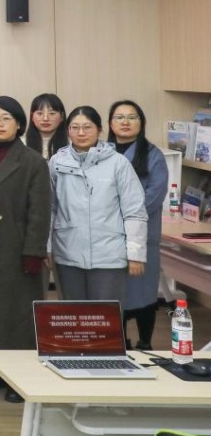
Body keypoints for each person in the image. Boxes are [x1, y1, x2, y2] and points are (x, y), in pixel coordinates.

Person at [0, 96, 50, 404]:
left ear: (19, 123)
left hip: (16, 251)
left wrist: (33, 251)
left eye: (5, 118)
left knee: (17, 317)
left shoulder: (32, 161)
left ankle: (20, 378)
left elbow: (40, 212)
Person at [49, 106, 147, 302]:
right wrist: (47, 248)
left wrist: (135, 254)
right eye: (75, 127)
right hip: (67, 252)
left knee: (106, 316)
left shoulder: (118, 163)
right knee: (73, 315)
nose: (81, 133)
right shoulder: (56, 162)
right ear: (67, 131)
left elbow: (134, 211)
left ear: (100, 130)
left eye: (87, 127)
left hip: (109, 255)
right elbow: (49, 209)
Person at [106, 100, 168, 350]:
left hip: (143, 234)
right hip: (108, 235)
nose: (125, 122)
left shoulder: (153, 155)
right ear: (110, 123)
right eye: (119, 117)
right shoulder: (102, 152)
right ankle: (119, 343)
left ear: (141, 123)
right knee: (115, 293)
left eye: (132, 117)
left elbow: (156, 193)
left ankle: (145, 343)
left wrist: (124, 214)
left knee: (143, 291)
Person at [26, 93, 66, 160]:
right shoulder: (22, 144)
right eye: (40, 113)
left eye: (52, 113)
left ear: (62, 116)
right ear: (32, 116)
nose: (45, 119)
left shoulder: (71, 144)